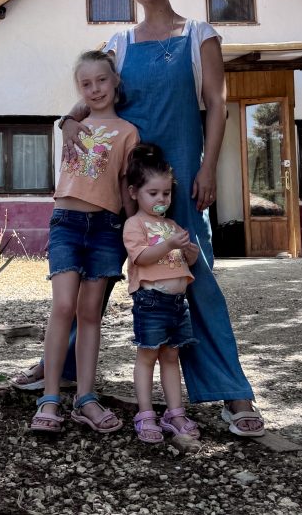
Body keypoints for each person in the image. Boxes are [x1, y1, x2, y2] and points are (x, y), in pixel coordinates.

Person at [11, 0, 264, 437]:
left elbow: (217, 105)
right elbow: (94, 89)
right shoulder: (119, 43)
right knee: (96, 277)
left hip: (177, 178)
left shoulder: (200, 35)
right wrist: (69, 120)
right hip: (115, 176)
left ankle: (232, 391)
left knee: (195, 271)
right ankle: (56, 368)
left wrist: (208, 168)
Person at [29, 50, 139, 435]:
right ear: (79, 89)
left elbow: (127, 185)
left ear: (115, 82)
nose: (95, 89)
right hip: (67, 223)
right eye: (86, 83)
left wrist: (133, 231)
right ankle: (49, 397)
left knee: (91, 313)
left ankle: (86, 398)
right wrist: (67, 121)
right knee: (63, 306)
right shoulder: (74, 124)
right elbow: (70, 119)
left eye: (102, 80)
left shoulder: (128, 132)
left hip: (107, 227)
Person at [122, 144, 201, 443]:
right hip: (151, 301)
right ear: (134, 193)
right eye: (152, 193)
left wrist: (189, 253)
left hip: (178, 304)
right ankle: (145, 413)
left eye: (165, 194)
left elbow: (183, 261)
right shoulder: (135, 224)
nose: (161, 199)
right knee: (147, 356)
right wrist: (169, 245)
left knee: (171, 356)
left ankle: (175, 412)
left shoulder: (171, 225)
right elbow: (140, 257)